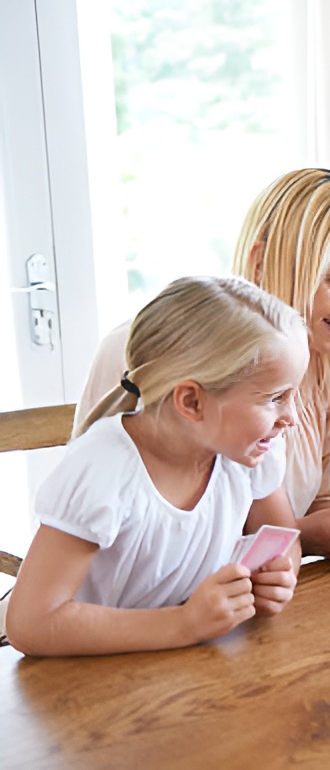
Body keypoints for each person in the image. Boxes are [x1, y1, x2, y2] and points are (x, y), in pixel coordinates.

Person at [75, 169, 330, 561]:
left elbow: (318, 503)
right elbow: (124, 543)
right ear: (260, 262)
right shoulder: (144, 351)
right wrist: (305, 537)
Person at [5, 277, 306, 656]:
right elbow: (30, 624)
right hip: (81, 683)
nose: (291, 417)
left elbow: (283, 537)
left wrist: (279, 574)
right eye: (275, 398)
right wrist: (184, 624)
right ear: (192, 402)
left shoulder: (246, 454)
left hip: (183, 672)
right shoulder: (102, 472)